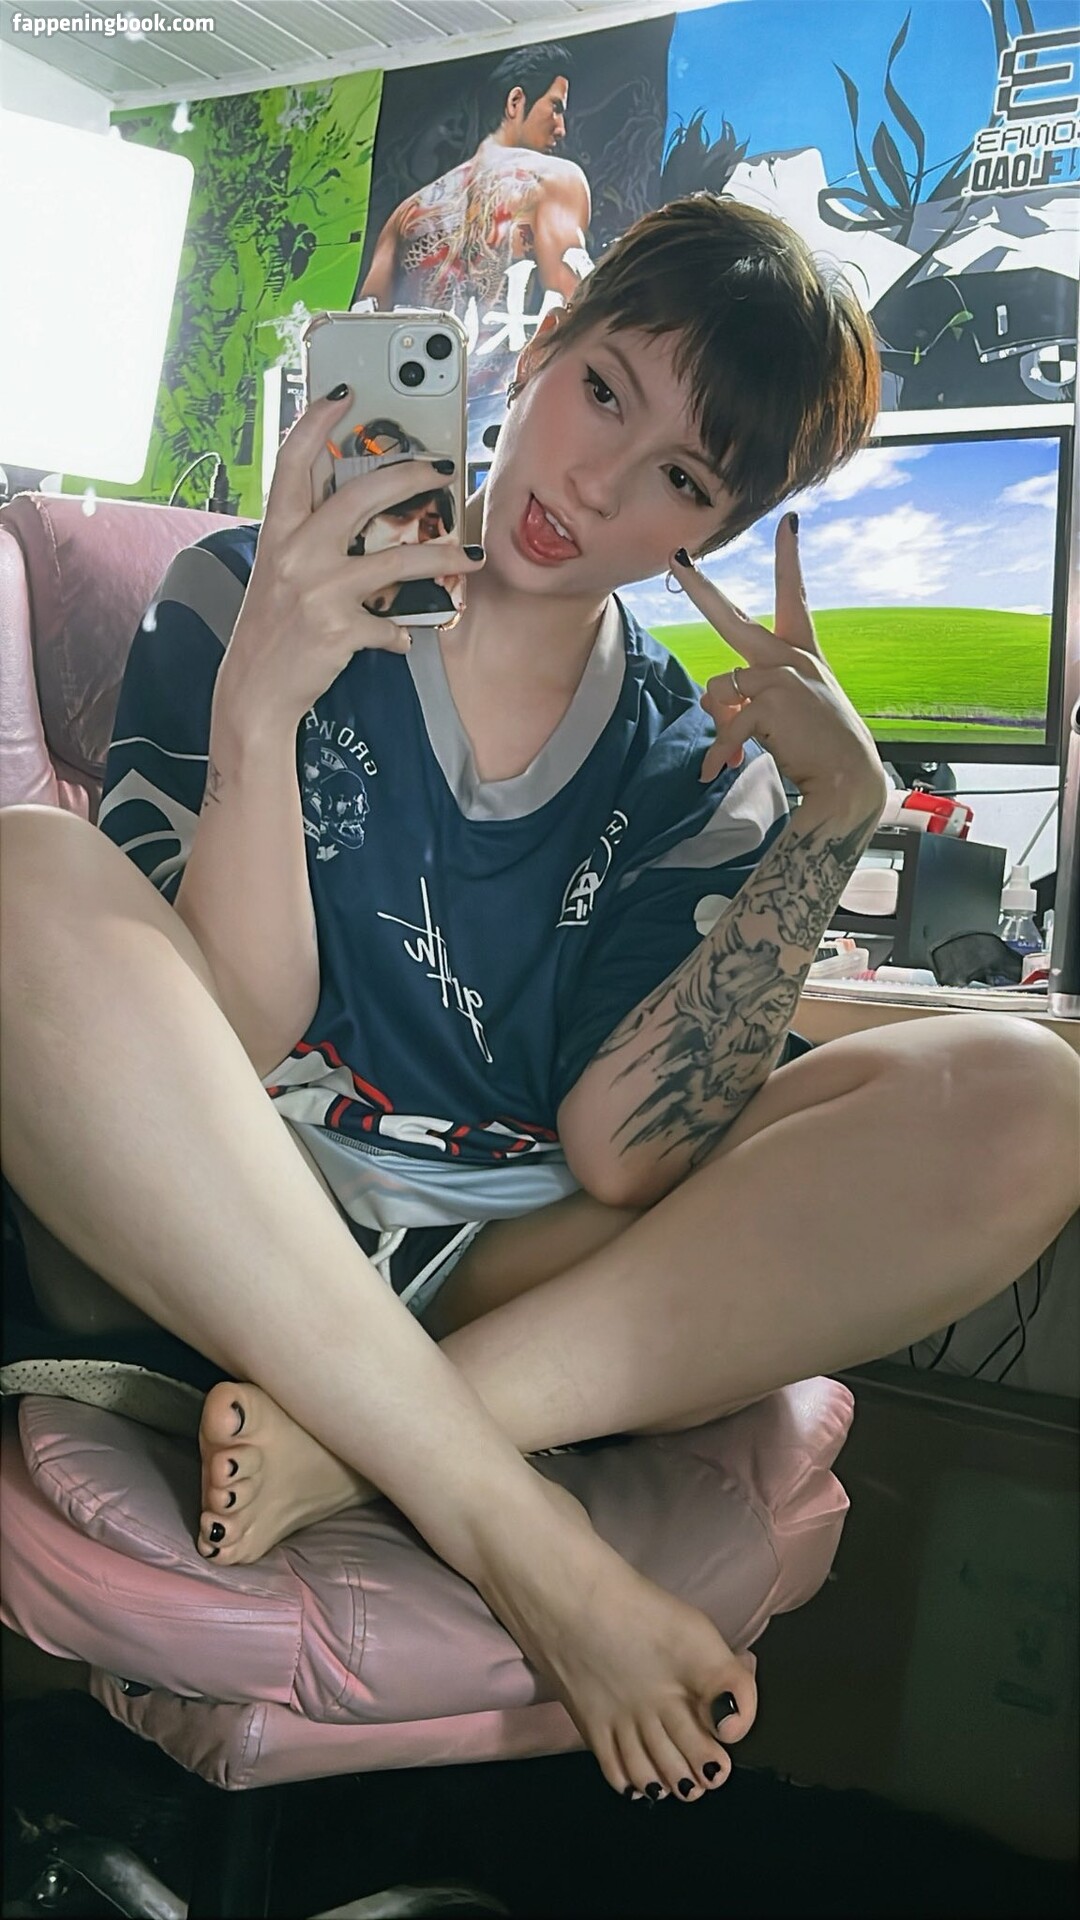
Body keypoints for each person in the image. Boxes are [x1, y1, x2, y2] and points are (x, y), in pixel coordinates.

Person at [2, 194, 1077, 1813]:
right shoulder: (241, 590)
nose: (596, 482)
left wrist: (830, 823)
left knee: (1025, 1100)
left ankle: (358, 1437)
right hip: (207, 1220)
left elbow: (625, 1153)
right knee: (23, 870)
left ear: (715, 531)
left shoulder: (687, 763)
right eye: (604, 393)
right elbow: (222, 1035)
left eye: (683, 479)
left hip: (499, 1274)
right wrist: (263, 705)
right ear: (546, 347)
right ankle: (521, 1537)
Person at [354, 43, 591, 326]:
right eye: (555, 107)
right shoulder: (555, 178)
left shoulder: (407, 213)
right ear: (515, 101)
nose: (561, 128)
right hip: (519, 356)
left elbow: (363, 325)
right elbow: (572, 307)